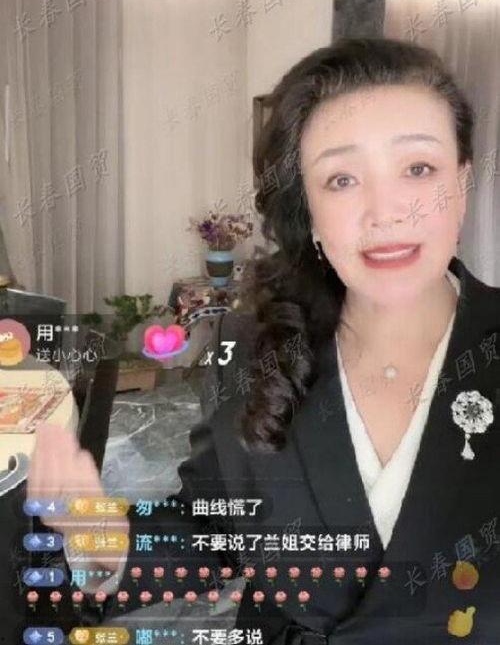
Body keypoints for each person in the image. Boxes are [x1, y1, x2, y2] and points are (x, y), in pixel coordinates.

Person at [27, 38, 500, 642]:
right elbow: (218, 530)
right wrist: (107, 542)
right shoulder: (256, 346)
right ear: (309, 211)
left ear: (462, 182)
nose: (386, 212)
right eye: (342, 179)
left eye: (418, 168)